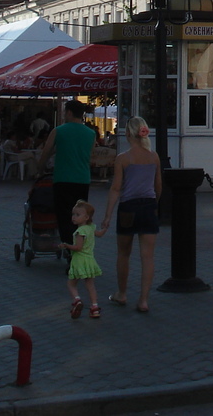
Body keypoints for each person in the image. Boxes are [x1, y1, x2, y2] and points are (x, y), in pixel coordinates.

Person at [100, 116, 162, 314]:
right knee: (148, 257)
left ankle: (122, 293)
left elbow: (116, 188)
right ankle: (143, 300)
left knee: (123, 254)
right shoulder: (154, 157)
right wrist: (155, 203)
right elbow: (158, 185)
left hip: (128, 208)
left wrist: (108, 215)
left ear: (128, 134)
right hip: (149, 207)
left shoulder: (123, 159)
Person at [38, 100, 96, 246]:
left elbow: (46, 152)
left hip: (63, 179)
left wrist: (40, 169)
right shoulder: (91, 133)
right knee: (80, 216)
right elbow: (90, 155)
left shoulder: (58, 131)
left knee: (65, 217)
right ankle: (80, 246)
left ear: (69, 112)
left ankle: (69, 248)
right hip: (82, 179)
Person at [60, 200, 102, 319]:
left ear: (86, 217)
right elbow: (99, 234)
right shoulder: (91, 228)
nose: (74, 217)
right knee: (90, 284)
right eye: (73, 214)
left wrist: (66, 245)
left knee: (71, 283)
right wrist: (105, 228)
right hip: (89, 260)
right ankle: (94, 307)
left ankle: (77, 300)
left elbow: (78, 247)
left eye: (77, 215)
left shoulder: (80, 232)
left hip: (79, 260)